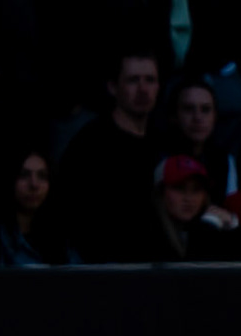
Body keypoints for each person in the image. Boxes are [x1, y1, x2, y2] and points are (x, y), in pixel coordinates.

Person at [56, 51, 163, 264]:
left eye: (150, 80)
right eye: (133, 80)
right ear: (113, 87)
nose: (143, 89)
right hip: (103, 272)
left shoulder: (161, 142)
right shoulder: (90, 143)